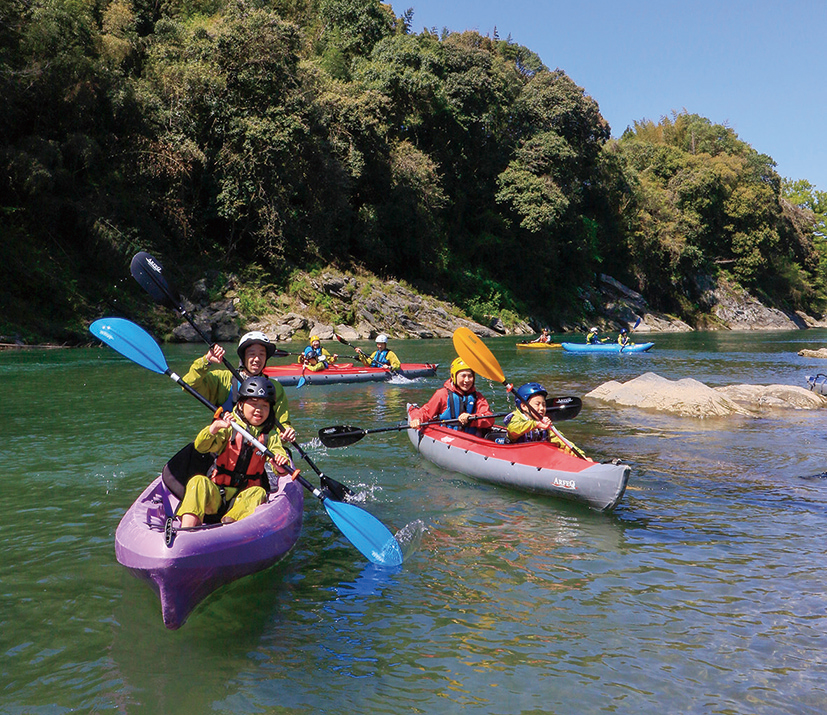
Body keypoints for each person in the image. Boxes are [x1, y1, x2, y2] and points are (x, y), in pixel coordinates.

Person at [178, 376, 294, 528]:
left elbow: (280, 465)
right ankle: (187, 531)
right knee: (198, 482)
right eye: (253, 403)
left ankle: (229, 528)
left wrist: (279, 463)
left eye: (265, 405)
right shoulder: (229, 426)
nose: (259, 409)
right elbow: (201, 447)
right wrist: (213, 429)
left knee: (258, 492)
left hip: (243, 500)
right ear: (240, 405)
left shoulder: (269, 435)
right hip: (216, 496)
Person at [182, 331, 295, 442]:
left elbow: (283, 424)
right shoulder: (224, 380)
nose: (257, 359)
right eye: (252, 354)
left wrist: (287, 432)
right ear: (243, 357)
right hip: (226, 446)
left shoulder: (275, 387)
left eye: (261, 354)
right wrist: (206, 361)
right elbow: (188, 385)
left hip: (261, 449)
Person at [408, 357, 495, 436]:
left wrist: (472, 418)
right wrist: (417, 419)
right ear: (453, 377)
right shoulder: (442, 394)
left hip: (471, 439)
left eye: (470, 376)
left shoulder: (478, 397)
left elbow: (489, 418)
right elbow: (426, 412)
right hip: (447, 437)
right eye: (463, 376)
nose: (467, 380)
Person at [505, 382, 591, 460]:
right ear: (524, 406)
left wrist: (582, 457)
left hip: (536, 456)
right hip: (517, 455)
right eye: (537, 404)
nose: (542, 408)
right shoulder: (516, 418)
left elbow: (562, 442)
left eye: (544, 404)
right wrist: (536, 424)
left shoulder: (544, 424)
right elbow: (512, 429)